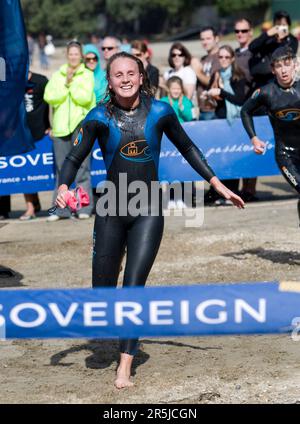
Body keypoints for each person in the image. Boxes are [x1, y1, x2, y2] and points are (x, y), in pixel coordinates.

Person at [54, 52, 244, 389]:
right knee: (103, 294)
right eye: (118, 74)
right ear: (109, 81)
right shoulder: (98, 117)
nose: (125, 79)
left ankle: (124, 367)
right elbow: (73, 156)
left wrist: (217, 184)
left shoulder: (160, 112)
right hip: (111, 208)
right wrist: (64, 186)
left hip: (148, 208)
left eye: (131, 73)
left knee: (134, 289)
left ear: (142, 77)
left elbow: (188, 147)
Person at [241, 46, 300, 224]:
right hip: (286, 155)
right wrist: (254, 137)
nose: (283, 70)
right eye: (278, 66)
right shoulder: (266, 92)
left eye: (287, 64)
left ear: (295, 65)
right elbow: (245, 111)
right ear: (273, 69)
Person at [44, 40, 95, 221]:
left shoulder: (87, 74)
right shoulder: (58, 75)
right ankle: (60, 209)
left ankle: (84, 207)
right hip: (60, 129)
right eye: (70, 54)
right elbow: (49, 96)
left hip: (80, 126)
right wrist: (65, 83)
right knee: (61, 170)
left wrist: (71, 84)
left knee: (82, 168)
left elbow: (85, 97)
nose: (73, 57)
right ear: (67, 55)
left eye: (76, 54)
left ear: (80, 56)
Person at [202, 45, 248, 206]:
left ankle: (233, 192)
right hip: (219, 120)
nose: (223, 60)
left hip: (234, 121)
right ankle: (218, 192)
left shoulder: (238, 76)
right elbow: (209, 95)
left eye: (226, 57)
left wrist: (221, 92)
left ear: (232, 58)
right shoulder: (215, 74)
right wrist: (208, 95)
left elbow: (239, 100)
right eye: (220, 57)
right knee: (219, 158)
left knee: (233, 158)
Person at [20, 70, 50, 220]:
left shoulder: (41, 80)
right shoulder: (12, 82)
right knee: (26, 172)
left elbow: (51, 102)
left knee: (49, 172)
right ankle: (30, 207)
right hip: (23, 135)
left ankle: (60, 206)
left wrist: (51, 125)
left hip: (43, 133)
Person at [234, 18, 258, 203]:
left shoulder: (255, 52)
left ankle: (250, 189)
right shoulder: (234, 54)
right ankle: (243, 189)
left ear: (251, 31)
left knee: (252, 149)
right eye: (237, 31)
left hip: (252, 108)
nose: (240, 34)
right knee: (239, 149)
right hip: (236, 109)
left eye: (244, 30)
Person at [249, 10, 298, 91]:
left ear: (288, 25)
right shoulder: (269, 39)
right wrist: (267, 34)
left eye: (284, 25)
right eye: (278, 25)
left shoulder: (292, 40)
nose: (281, 28)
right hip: (265, 79)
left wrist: (283, 41)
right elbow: (252, 47)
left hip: (283, 79)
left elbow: (289, 55)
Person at [191, 27, 220, 120]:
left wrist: (197, 71)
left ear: (216, 39)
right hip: (202, 110)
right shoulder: (203, 59)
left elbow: (213, 83)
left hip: (214, 110)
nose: (205, 42)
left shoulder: (221, 57)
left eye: (208, 38)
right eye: (202, 39)